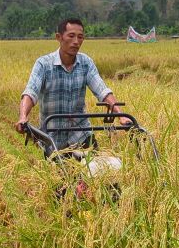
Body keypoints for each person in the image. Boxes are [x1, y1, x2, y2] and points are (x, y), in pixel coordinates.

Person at [15, 18, 129, 153]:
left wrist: (121, 115)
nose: (76, 42)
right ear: (59, 37)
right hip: (53, 139)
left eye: (80, 37)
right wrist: (23, 117)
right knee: (59, 173)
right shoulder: (44, 64)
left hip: (81, 134)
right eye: (71, 36)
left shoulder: (85, 63)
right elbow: (31, 92)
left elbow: (102, 90)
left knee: (98, 168)